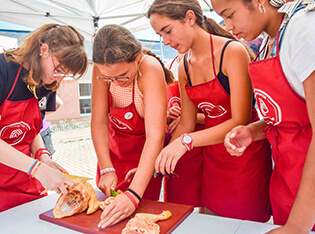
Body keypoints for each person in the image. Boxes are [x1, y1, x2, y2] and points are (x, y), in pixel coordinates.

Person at [147, 0, 272, 222]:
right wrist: (156, 161)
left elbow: (240, 119)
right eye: (160, 35)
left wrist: (185, 141)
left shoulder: (232, 51)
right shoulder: (184, 65)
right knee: (213, 220)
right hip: (212, 156)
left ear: (190, 18)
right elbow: (186, 123)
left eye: (168, 31)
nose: (166, 41)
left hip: (244, 154)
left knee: (244, 222)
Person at [212, 0, 315, 232]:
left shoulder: (303, 29)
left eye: (229, 15)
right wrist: (253, 131)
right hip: (287, 182)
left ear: (258, 1)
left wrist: (297, 226)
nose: (227, 26)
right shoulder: (270, 41)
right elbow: (288, 117)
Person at [91, 24, 173, 229]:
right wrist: (106, 167)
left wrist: (134, 194)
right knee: (107, 215)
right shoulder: (100, 68)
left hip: (145, 155)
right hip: (113, 152)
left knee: (140, 219)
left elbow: (155, 135)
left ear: (136, 57)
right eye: (109, 77)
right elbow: (99, 121)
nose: (116, 82)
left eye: (123, 75)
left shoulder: (150, 68)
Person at [0, 23, 88, 212]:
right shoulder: (3, 71)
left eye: (66, 74)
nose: (59, 78)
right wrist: (37, 169)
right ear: (43, 49)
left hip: (25, 183)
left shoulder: (46, 83)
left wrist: (43, 157)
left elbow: (31, 130)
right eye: (58, 69)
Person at [162, 53, 205, 207]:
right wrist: (168, 116)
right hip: (175, 145)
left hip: (201, 145)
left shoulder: (206, 65)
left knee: (205, 201)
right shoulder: (168, 66)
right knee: (176, 204)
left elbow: (222, 117)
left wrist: (188, 117)